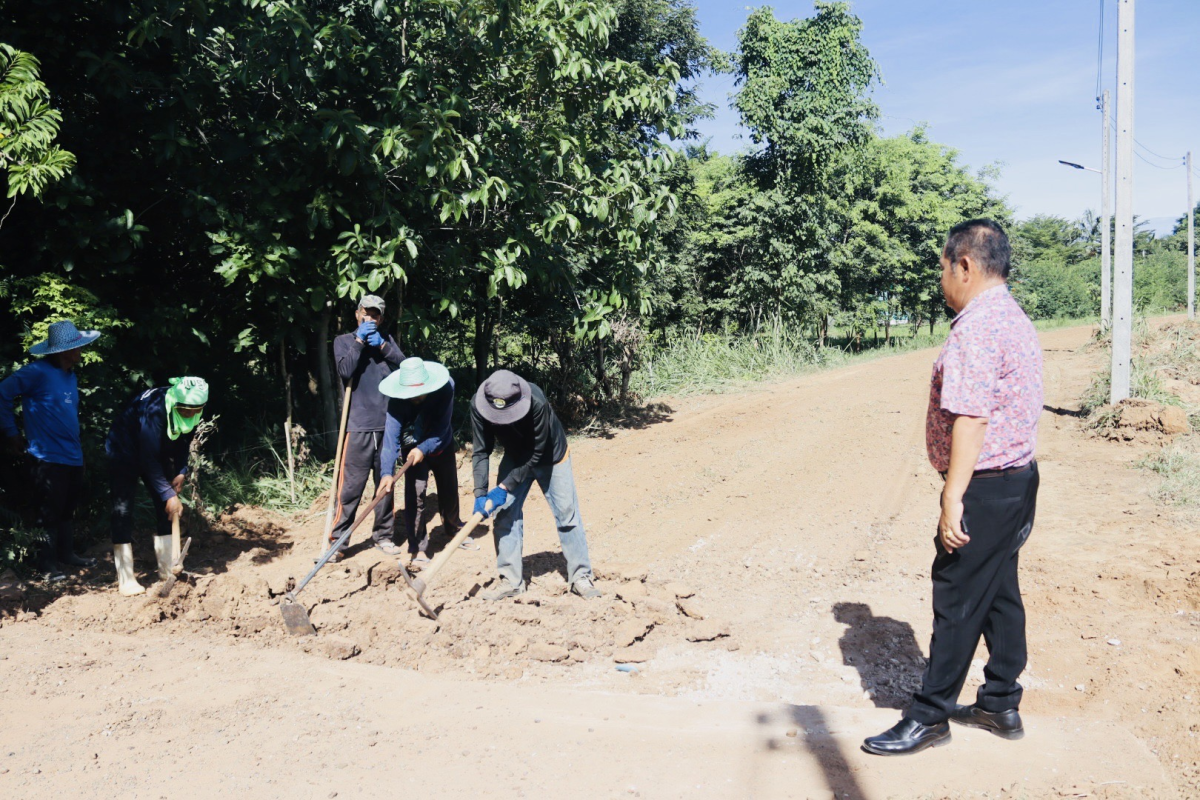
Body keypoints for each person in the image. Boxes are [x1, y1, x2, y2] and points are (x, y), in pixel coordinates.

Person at [863, 219, 1043, 756]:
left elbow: (971, 419)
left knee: (958, 595)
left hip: (985, 486)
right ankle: (999, 702)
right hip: (1016, 480)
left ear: (964, 265)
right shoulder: (1010, 316)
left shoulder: (978, 327)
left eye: (944, 269)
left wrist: (952, 498)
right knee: (999, 593)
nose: (942, 280)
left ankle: (930, 714)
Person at [470, 369, 600, 601]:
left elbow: (537, 451)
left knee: (567, 514)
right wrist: (480, 493)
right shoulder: (479, 406)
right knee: (505, 515)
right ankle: (510, 581)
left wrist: (503, 487)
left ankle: (580, 576)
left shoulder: (537, 401)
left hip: (550, 455)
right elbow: (481, 451)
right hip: (515, 455)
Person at [0, 320, 102, 581]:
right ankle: (47, 566)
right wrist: (11, 432)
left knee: (67, 508)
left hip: (72, 455)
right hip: (46, 457)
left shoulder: (70, 375)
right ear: (62, 351)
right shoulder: (36, 372)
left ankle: (66, 555)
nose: (81, 351)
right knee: (49, 511)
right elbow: (3, 392)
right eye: (77, 347)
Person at [105, 377, 208, 596]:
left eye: (195, 410)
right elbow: (147, 457)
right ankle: (126, 578)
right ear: (176, 403)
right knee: (123, 510)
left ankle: (168, 568)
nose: (190, 414)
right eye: (185, 410)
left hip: (155, 450)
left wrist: (181, 470)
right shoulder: (156, 410)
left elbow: (183, 438)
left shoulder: (191, 407)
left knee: (167, 508)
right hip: (124, 448)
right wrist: (168, 494)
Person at [330, 294, 405, 558]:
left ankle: (383, 536)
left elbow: (404, 367)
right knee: (350, 488)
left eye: (375, 315)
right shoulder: (344, 342)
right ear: (357, 314)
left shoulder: (386, 342)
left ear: (382, 318)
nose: (370, 318)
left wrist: (383, 346)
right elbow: (345, 371)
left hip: (386, 424)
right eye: (366, 313)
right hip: (357, 425)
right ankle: (339, 541)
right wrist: (360, 341)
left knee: (385, 484)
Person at [377, 357, 464, 569]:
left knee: (449, 488)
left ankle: (453, 529)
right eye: (410, 394)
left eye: (418, 393)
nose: (414, 397)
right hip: (411, 445)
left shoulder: (445, 389)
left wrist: (423, 449)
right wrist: (386, 474)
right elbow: (389, 442)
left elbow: (442, 429)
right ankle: (418, 548)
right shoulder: (396, 401)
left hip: (440, 442)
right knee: (415, 495)